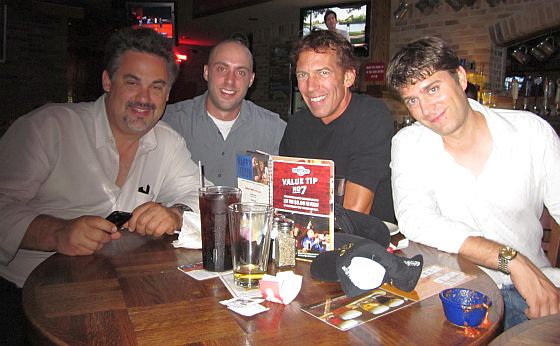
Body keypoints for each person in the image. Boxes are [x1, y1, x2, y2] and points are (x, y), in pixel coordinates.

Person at [0, 27, 205, 343]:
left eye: (156, 87)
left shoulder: (168, 143)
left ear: (167, 95)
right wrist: (58, 233)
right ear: (107, 81)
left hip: (122, 296)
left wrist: (176, 214)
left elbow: (202, 197)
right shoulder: (47, 127)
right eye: (132, 82)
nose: (143, 98)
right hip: (24, 298)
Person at [386, 36, 560, 330]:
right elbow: (416, 219)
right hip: (453, 293)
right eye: (413, 100)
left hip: (533, 290)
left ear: (460, 78)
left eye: (433, 89)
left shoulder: (532, 133)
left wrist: (527, 271)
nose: (426, 108)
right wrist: (510, 260)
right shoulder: (409, 143)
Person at [280, 29, 395, 222]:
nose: (310, 87)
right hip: (308, 241)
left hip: (362, 245)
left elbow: (353, 214)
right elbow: (283, 200)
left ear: (348, 77)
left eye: (323, 73)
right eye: (303, 75)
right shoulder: (297, 124)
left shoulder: (370, 115)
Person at [163, 37, 286, 187]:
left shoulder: (275, 130)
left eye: (240, 72)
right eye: (222, 69)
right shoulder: (169, 121)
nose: (230, 81)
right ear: (206, 72)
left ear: (251, 80)